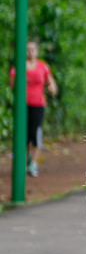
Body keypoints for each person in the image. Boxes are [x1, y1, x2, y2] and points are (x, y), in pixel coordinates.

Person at [8, 40, 58, 177]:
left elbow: (50, 81)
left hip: (38, 105)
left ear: (37, 51)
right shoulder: (19, 67)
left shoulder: (43, 67)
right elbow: (12, 84)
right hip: (23, 105)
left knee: (35, 134)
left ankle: (33, 163)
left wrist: (52, 87)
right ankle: (23, 161)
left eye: (32, 49)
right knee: (23, 134)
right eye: (27, 49)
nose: (30, 52)